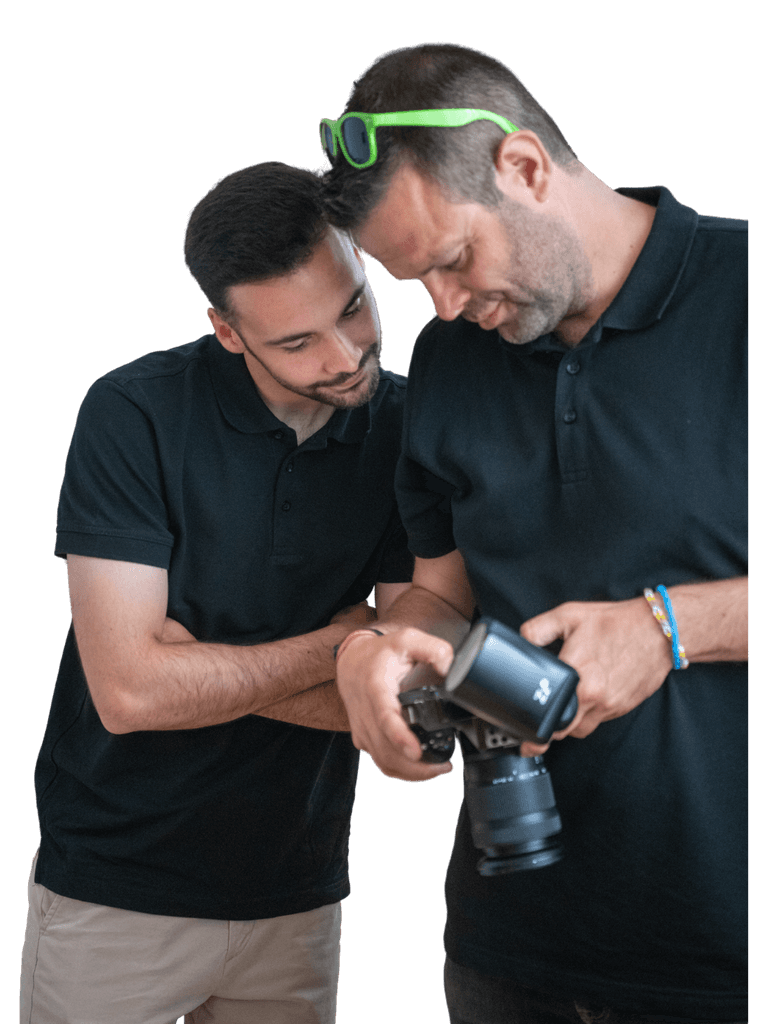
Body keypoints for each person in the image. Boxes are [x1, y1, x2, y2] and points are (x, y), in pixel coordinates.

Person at [322, 43, 748, 1024]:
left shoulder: (744, 292)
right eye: (413, 280)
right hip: (506, 953)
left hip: (726, 957)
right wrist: (374, 650)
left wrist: (669, 626)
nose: (446, 306)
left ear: (523, 167)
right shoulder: (451, 357)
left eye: (454, 259)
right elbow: (441, 588)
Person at [19, 161, 413, 1024]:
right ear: (230, 334)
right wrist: (343, 647)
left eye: (351, 306)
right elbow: (127, 694)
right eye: (297, 342)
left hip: (298, 896)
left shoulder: (407, 431)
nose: (346, 357)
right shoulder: (133, 414)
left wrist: (191, 667)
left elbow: (401, 691)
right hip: (115, 894)